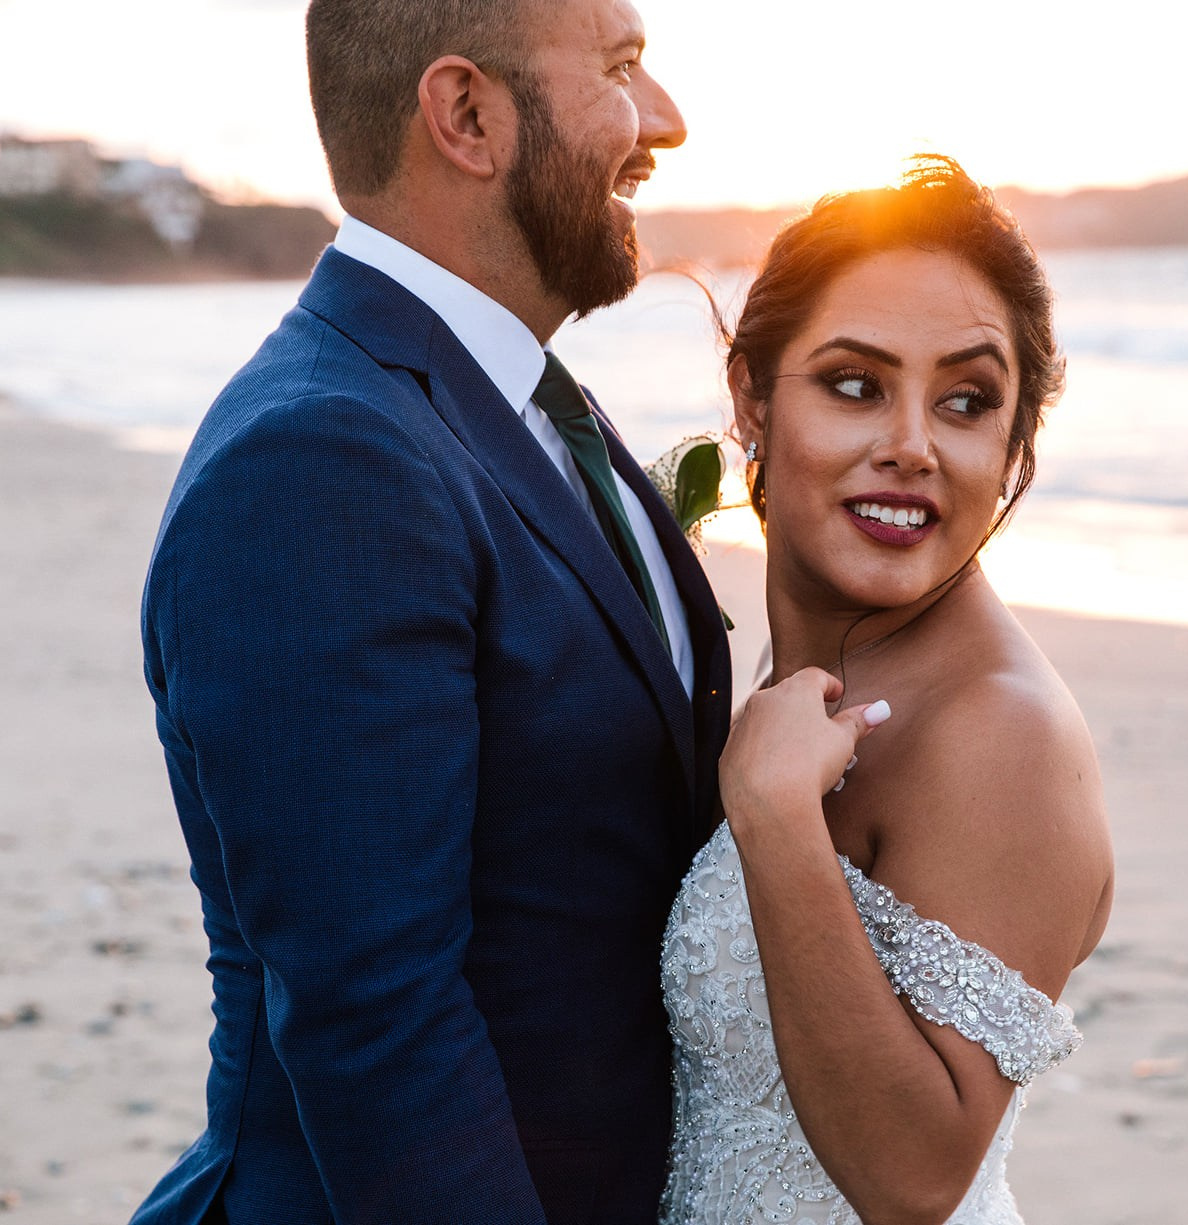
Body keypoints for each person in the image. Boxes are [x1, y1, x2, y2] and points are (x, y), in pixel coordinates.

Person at [131, 0, 731, 1221]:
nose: (664, 121)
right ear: (466, 114)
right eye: (620, 71)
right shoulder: (320, 459)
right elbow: (376, 1021)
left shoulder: (514, 392)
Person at [660, 158, 1114, 1224]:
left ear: (1010, 447)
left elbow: (913, 1183)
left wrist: (777, 824)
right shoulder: (813, 674)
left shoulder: (998, 731)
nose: (909, 447)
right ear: (750, 399)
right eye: (855, 384)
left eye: (965, 401)